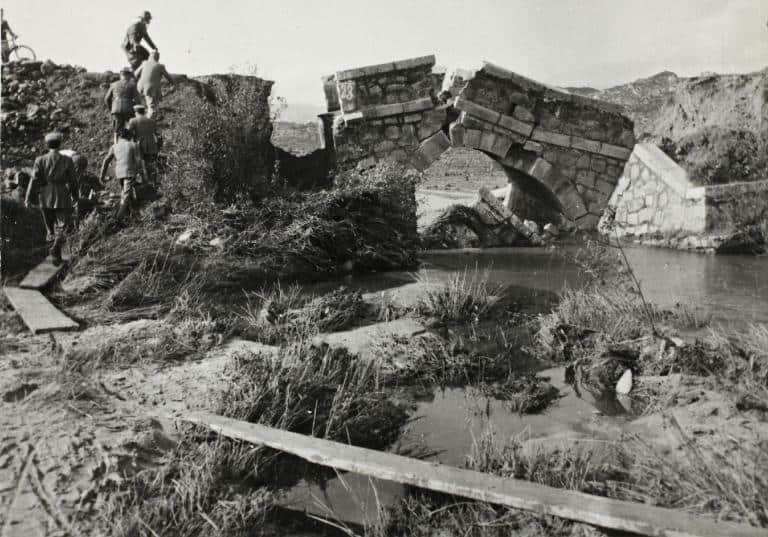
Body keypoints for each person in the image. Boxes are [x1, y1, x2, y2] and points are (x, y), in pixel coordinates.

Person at [24, 132, 79, 265]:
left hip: (45, 194)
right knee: (62, 225)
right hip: (62, 194)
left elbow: (34, 180)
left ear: (47, 145)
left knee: (49, 227)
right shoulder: (67, 160)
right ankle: (56, 250)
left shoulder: (40, 160)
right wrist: (75, 196)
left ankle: (55, 254)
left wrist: (28, 197)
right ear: (60, 144)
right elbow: (73, 181)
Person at [99, 127, 148, 221]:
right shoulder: (133, 145)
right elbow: (138, 161)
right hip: (129, 172)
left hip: (119, 173)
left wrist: (102, 176)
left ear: (120, 137)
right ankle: (117, 219)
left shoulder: (114, 146)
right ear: (129, 136)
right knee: (125, 196)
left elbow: (106, 161)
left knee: (127, 193)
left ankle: (134, 214)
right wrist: (142, 175)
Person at [127, 104, 162, 186]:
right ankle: (154, 183)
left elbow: (128, 133)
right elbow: (158, 134)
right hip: (152, 145)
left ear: (136, 112)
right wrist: (159, 146)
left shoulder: (133, 121)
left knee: (139, 166)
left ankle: (144, 184)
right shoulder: (151, 121)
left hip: (140, 145)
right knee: (151, 165)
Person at [135, 50, 175, 119]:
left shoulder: (144, 63)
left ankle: (143, 119)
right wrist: (173, 84)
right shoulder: (160, 66)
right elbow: (169, 78)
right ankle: (148, 124)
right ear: (158, 57)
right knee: (152, 108)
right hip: (151, 89)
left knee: (146, 104)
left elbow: (135, 74)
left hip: (140, 87)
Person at [105, 67, 141, 141]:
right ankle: (130, 145)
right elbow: (137, 100)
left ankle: (116, 146)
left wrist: (111, 109)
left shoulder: (113, 84)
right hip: (129, 109)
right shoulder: (133, 85)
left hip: (116, 109)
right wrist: (138, 111)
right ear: (129, 75)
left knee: (116, 130)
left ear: (121, 75)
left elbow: (107, 99)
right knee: (130, 127)